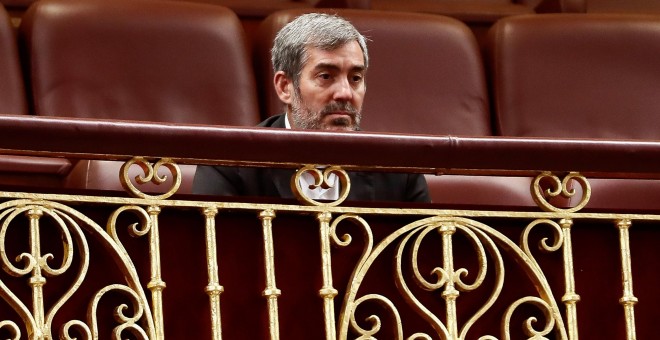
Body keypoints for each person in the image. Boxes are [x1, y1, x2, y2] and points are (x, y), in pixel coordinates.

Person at [193, 13, 430, 203]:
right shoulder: (229, 166)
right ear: (285, 87)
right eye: (326, 76)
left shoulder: (399, 170)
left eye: (355, 78)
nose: (345, 93)